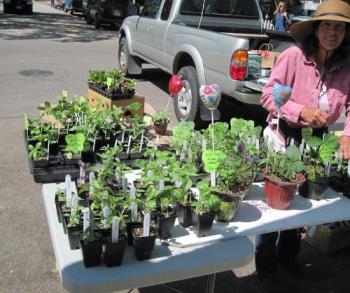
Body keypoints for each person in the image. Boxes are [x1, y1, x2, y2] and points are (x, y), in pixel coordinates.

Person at [257, 0, 350, 277]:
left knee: (304, 205)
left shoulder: (347, 65)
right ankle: (266, 263)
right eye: (326, 25)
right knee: (278, 204)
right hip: (284, 135)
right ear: (316, 29)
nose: (332, 32)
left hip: (318, 141)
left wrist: (347, 136)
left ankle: (288, 256)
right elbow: (268, 97)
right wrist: (301, 110)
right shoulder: (294, 57)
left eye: (339, 27)